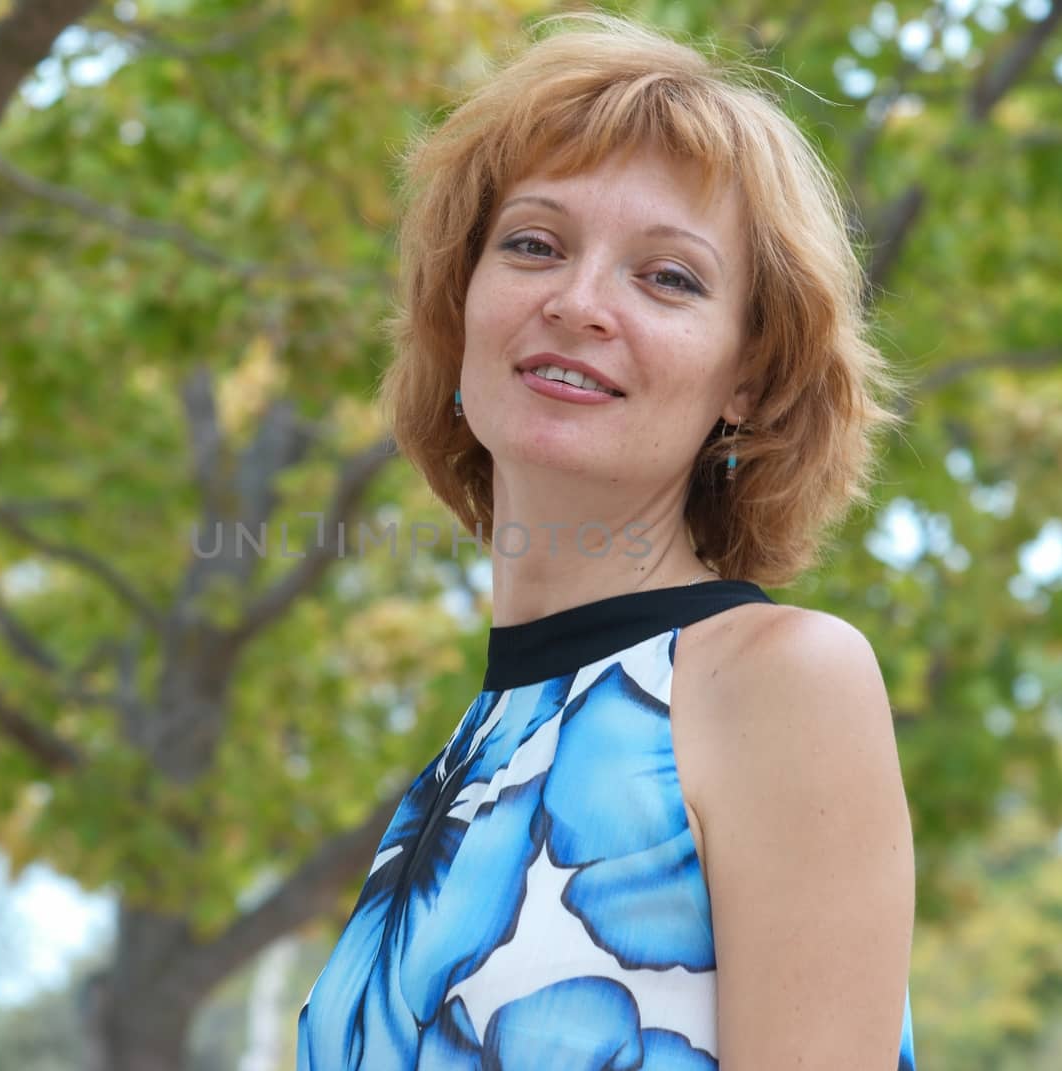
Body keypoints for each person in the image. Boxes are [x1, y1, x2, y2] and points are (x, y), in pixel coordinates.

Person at [297, 12, 916, 1069]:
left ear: (747, 380)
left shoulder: (778, 684)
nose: (577, 303)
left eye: (667, 277)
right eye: (534, 245)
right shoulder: (473, 752)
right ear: (461, 311)